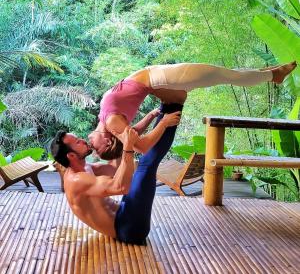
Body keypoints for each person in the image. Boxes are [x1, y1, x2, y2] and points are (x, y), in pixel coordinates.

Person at [88, 61, 297, 159]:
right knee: (225, 75)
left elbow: (134, 135)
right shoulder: (111, 124)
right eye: (95, 149)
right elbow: (141, 147)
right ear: (107, 142)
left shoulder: (107, 120)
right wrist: (162, 122)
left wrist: (151, 115)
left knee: (225, 74)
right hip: (163, 79)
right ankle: (273, 76)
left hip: (161, 79)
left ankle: (268, 73)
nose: (91, 145)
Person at [51, 103, 183, 244]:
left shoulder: (85, 168)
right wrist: (161, 125)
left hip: (124, 212)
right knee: (146, 165)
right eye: (78, 142)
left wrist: (148, 118)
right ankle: (174, 107)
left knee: (142, 164)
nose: (83, 140)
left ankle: (167, 107)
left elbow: (116, 168)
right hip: (128, 228)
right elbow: (121, 187)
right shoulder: (77, 180)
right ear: (71, 156)